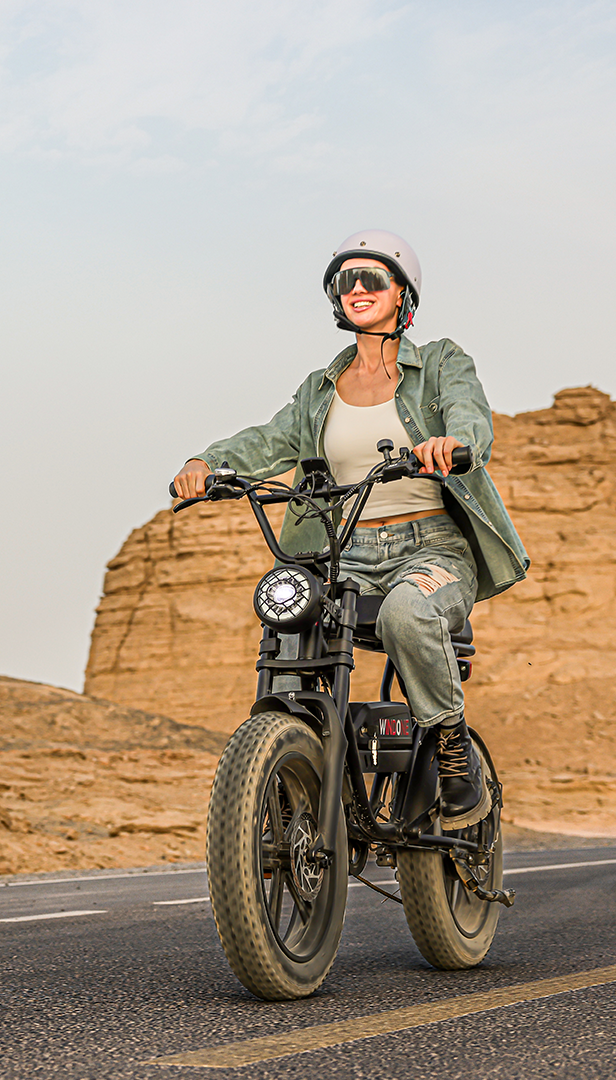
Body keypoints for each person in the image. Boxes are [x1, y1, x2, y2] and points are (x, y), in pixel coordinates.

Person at [172, 230, 529, 829]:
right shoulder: (320, 390)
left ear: (401, 295)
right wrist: (207, 463)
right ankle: (286, 761)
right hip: (342, 552)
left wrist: (452, 443)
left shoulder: (440, 362)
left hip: (432, 546)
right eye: (347, 281)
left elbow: (470, 418)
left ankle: (449, 746)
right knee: (289, 615)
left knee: (405, 616)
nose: (358, 289)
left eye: (373, 279)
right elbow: (268, 440)